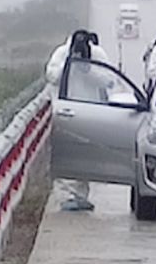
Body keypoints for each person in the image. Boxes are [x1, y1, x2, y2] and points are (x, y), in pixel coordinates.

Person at [45, 29, 112, 212]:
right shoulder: (61, 53)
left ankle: (82, 196)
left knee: (85, 156)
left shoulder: (98, 54)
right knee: (66, 153)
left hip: (90, 111)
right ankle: (67, 195)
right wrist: (69, 62)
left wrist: (88, 68)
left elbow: (108, 80)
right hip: (66, 110)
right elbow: (51, 77)